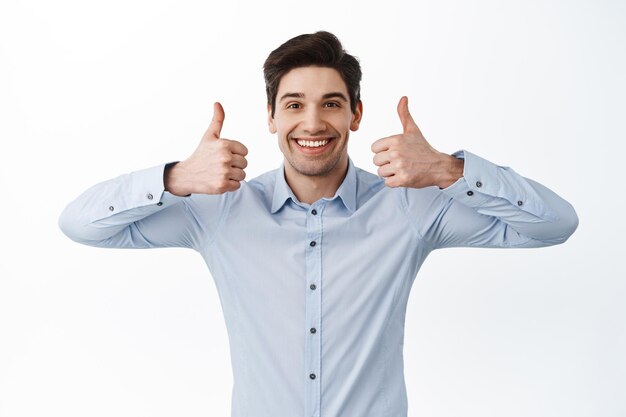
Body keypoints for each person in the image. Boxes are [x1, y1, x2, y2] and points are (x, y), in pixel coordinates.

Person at [59, 31, 578, 417]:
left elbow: (555, 224)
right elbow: (80, 223)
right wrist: (173, 177)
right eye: (294, 105)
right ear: (271, 118)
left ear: (355, 114)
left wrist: (449, 169)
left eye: (331, 104)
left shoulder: (409, 208)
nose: (312, 123)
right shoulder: (219, 210)